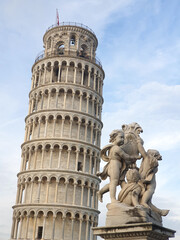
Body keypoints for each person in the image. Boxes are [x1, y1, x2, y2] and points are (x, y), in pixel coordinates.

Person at [97, 130, 141, 203]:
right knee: (114, 182)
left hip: (117, 166)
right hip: (114, 165)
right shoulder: (116, 148)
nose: (123, 140)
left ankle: (101, 192)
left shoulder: (115, 147)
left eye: (123, 138)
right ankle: (113, 199)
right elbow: (126, 156)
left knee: (116, 182)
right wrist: (135, 157)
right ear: (114, 138)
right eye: (121, 137)